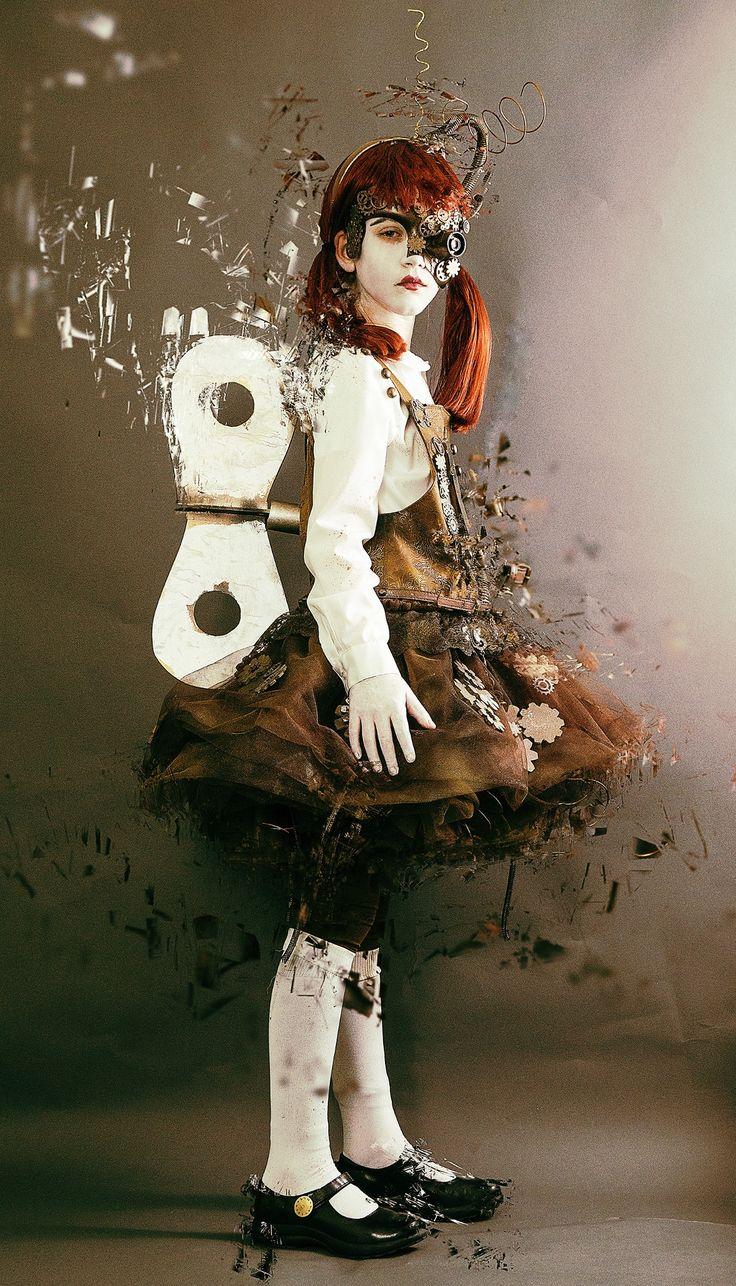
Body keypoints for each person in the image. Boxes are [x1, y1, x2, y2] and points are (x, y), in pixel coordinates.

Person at [135, 136, 653, 1259]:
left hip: (427, 650)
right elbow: (333, 544)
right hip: (376, 657)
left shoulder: (402, 374)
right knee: (335, 908)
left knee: (363, 907)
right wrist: (368, 671)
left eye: (439, 239)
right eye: (390, 231)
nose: (419, 256)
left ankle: (370, 1142)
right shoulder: (355, 377)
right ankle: (292, 1172)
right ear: (344, 248)